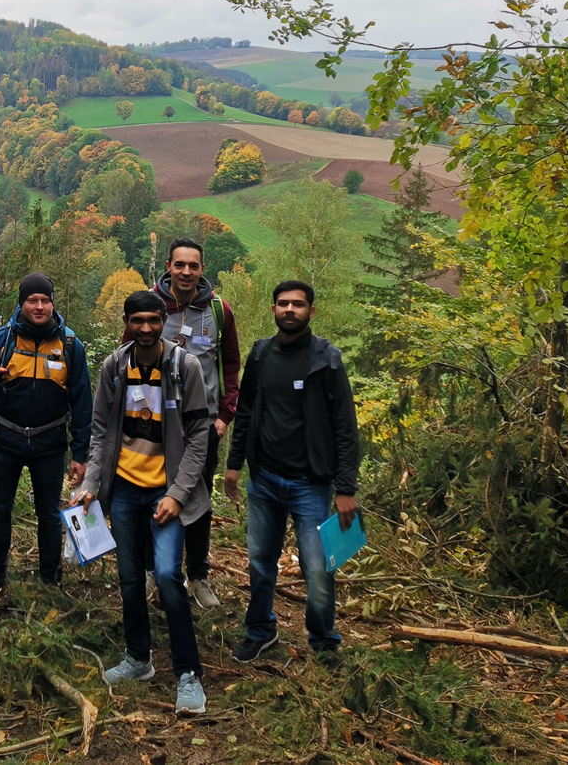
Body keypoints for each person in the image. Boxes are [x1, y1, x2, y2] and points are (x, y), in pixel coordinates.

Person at [74, 291, 210, 716]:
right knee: (130, 577)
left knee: (168, 575)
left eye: (153, 320)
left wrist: (177, 494)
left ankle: (189, 675)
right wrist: (92, 483)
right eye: (138, 321)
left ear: (163, 320)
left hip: (165, 492)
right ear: (127, 322)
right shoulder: (115, 367)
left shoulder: (183, 366)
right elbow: (100, 431)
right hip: (124, 490)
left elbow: (199, 436)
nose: (146, 328)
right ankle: (138, 657)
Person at [223, 281, 359, 664]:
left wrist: (345, 488)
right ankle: (260, 631)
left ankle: (323, 642)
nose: (289, 309)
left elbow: (345, 427)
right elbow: (245, 411)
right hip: (264, 478)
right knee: (260, 561)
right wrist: (234, 463)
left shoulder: (326, 360)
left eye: (298, 304)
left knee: (317, 568)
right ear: (273, 309)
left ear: (311, 311)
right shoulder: (260, 354)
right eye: (283, 303)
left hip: (310, 484)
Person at [0, 273, 91, 606]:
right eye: (32, 300)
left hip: (50, 444)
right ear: (21, 303)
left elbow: (82, 402)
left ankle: (50, 580)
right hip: (6, 441)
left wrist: (80, 452)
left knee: (49, 514)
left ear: (53, 303)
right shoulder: (2, 341)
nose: (39, 306)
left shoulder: (70, 345)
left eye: (45, 300)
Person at [140, 238, 241, 609]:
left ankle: (198, 577)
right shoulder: (149, 304)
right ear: (168, 266)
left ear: (202, 269)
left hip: (203, 428)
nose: (185, 272)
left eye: (193, 266)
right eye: (179, 265)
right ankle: (152, 570)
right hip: (153, 426)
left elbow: (230, 366)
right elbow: (127, 358)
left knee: (199, 502)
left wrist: (225, 416)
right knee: (150, 496)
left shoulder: (219, 311)